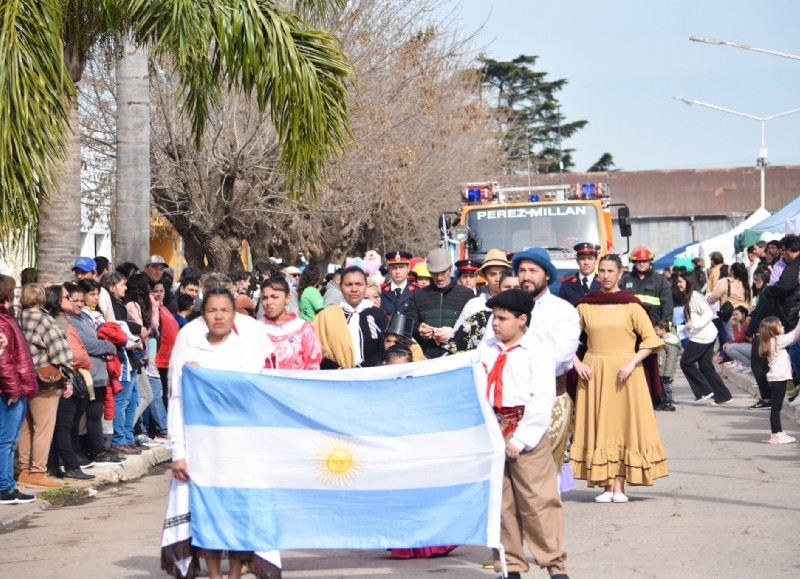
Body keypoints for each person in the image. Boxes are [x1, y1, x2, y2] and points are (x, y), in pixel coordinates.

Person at [167, 286, 278, 579]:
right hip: (203, 448)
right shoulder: (190, 353)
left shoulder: (247, 354)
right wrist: (177, 451)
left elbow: (256, 398)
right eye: (212, 310)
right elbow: (177, 402)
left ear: (234, 315)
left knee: (238, 512)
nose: (219, 316)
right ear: (203, 314)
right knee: (209, 513)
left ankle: (235, 574)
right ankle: (215, 574)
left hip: (241, 447)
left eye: (225, 310)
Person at [474, 289, 568, 579]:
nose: (495, 323)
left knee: (538, 501)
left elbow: (541, 400)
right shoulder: (486, 348)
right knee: (501, 504)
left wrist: (521, 439)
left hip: (524, 429)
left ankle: (555, 565)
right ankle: (510, 564)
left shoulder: (537, 352)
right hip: (492, 430)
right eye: (494, 317)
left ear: (522, 319)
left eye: (502, 318)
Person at [570, 254, 668, 502]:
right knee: (600, 426)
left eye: (610, 271)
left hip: (626, 372)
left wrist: (632, 362)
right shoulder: (584, 305)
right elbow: (565, 341)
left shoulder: (631, 305)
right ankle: (605, 486)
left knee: (623, 427)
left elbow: (652, 340)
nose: (604, 275)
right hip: (594, 371)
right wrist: (577, 363)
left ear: (620, 273)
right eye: (601, 270)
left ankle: (619, 488)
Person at [16, 284, 73, 488]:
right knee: (43, 428)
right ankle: (38, 471)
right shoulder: (44, 319)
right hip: (44, 378)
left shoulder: (17, 318)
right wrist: (67, 376)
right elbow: (61, 350)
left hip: (21, 377)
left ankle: (23, 470)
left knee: (26, 428)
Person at [0, 275, 38, 505]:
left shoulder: (7, 318)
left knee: (9, 440)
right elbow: (3, 360)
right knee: (6, 441)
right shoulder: (2, 321)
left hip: (16, 389)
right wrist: (13, 389)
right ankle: (5, 487)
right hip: (9, 392)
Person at [313, 266, 389, 369]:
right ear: (340, 287)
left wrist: (360, 369)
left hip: (372, 377)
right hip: (335, 378)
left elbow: (385, 349)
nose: (354, 289)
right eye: (348, 285)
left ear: (365, 286)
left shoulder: (379, 315)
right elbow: (318, 350)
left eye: (359, 284)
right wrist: (341, 371)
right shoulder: (325, 317)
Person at [404, 248, 474, 358]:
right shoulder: (418, 295)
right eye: (435, 273)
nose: (439, 277)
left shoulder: (467, 295)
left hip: (457, 359)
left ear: (450, 269)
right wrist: (419, 329)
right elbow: (408, 324)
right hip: (426, 359)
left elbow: (475, 328)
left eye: (443, 272)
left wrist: (454, 333)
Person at [676, 272, 733, 405]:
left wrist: (694, 324)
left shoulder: (695, 296)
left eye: (681, 282)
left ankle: (704, 391)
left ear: (688, 281)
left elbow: (708, 312)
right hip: (703, 335)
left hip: (703, 336)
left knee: (686, 362)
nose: (678, 284)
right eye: (678, 282)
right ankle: (723, 396)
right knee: (706, 366)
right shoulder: (690, 296)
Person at [260, 276, 322, 370]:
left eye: (275, 297)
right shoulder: (256, 328)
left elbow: (312, 366)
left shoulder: (303, 328)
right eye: (264, 298)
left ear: (287, 298)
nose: (269, 302)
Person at [757, 316, 800, 444]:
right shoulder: (777, 341)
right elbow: (795, 335)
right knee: (776, 408)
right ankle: (775, 434)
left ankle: (779, 432)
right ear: (772, 330)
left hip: (775, 379)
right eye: (780, 325)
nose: (783, 327)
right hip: (778, 379)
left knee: (776, 407)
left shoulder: (769, 341)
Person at [453, 249, 511, 331]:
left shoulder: (516, 304)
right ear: (485, 276)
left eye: (502, 273)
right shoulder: (474, 305)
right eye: (492, 274)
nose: (498, 279)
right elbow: (457, 337)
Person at [620, 245, 673, 325]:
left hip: (653, 326)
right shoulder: (625, 279)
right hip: (630, 326)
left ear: (650, 261)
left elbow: (667, 305)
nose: (642, 264)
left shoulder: (659, 280)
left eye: (644, 261)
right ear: (634, 262)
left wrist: (665, 326)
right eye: (639, 261)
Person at [653, 320, 680, 411]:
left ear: (663, 330)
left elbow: (671, 360)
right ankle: (663, 403)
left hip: (666, 371)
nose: (655, 332)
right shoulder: (663, 341)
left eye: (656, 330)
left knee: (667, 388)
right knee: (662, 388)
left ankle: (669, 403)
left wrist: (668, 373)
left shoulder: (670, 343)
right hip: (662, 369)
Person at [380, 251, 416, 318]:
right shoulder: (381, 291)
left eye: (401, 267)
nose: (397, 272)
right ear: (389, 269)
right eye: (394, 268)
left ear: (408, 269)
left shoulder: (417, 291)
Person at [722, 306, 751, 372]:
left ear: (743, 314)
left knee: (730, 348)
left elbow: (739, 339)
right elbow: (740, 338)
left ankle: (747, 363)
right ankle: (740, 362)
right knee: (727, 346)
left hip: (755, 349)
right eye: (733, 315)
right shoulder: (742, 322)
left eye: (737, 314)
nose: (735, 316)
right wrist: (729, 342)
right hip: (749, 347)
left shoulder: (747, 322)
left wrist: (734, 324)